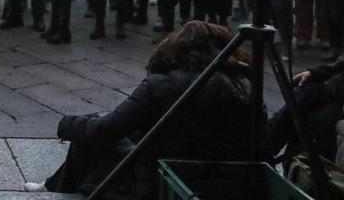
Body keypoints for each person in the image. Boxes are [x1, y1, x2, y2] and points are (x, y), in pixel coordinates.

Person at [36, 21, 257, 198]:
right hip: (229, 182)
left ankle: (55, 188)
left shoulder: (161, 85)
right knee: (114, 129)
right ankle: (52, 185)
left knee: (90, 130)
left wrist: (66, 124)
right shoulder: (245, 85)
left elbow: (103, 131)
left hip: (160, 186)